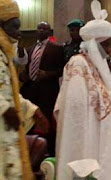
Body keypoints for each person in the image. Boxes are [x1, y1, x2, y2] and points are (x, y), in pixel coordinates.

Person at [55, 1, 111, 179]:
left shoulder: (94, 65)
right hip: (85, 134)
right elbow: (79, 105)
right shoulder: (78, 64)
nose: (108, 51)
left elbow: (98, 95)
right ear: (94, 44)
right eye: (106, 45)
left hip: (98, 129)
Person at [0, 0, 49, 179]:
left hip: (6, 131)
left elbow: (9, 93)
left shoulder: (5, 52)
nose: (18, 33)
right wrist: (5, 109)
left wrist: (34, 111)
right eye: (14, 27)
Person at [19, 21, 64, 156]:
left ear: (49, 32)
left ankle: (49, 152)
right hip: (31, 90)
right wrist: (24, 76)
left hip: (47, 91)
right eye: (39, 28)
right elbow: (24, 65)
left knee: (46, 121)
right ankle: (32, 149)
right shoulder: (30, 48)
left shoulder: (56, 48)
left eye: (44, 29)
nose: (41, 30)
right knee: (31, 120)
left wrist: (48, 74)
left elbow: (62, 69)